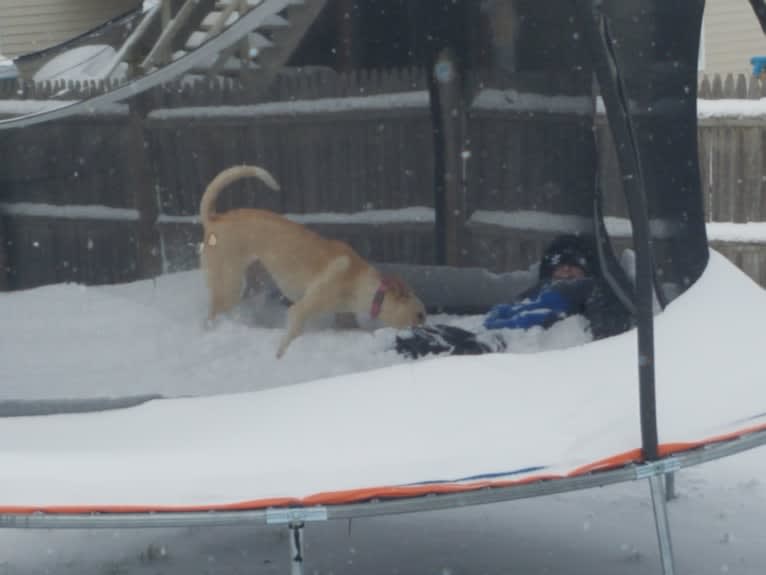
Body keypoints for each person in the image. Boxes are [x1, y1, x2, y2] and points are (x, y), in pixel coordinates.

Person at [394, 234, 631, 359]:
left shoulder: (590, 289)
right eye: (561, 265)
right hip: (497, 329)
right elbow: (506, 311)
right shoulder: (533, 293)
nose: (567, 271)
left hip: (520, 348)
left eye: (574, 265)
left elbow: (607, 330)